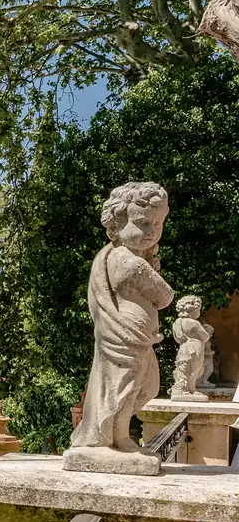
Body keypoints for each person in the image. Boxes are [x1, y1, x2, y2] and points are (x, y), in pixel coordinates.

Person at [69, 182, 175, 456]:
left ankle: (115, 437)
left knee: (132, 388)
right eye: (142, 223)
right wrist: (151, 264)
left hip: (134, 337)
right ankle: (114, 438)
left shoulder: (117, 257)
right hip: (126, 336)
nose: (152, 231)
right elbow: (165, 297)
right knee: (122, 389)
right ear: (115, 226)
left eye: (159, 224)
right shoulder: (130, 262)